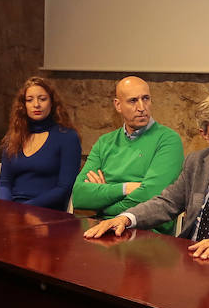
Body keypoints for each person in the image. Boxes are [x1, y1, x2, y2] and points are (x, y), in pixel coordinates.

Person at [84, 92, 209, 260]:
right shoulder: (196, 162)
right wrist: (126, 218)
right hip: (193, 255)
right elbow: (167, 202)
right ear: (204, 134)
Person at [70, 76, 183, 229]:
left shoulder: (168, 140)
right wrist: (125, 188)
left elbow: (151, 198)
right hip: (102, 227)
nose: (142, 107)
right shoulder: (105, 142)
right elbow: (79, 196)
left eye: (146, 99)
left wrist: (102, 205)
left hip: (146, 231)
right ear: (118, 105)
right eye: (133, 101)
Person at [0, 76, 83, 210]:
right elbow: (4, 184)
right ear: (23, 105)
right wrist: (4, 208)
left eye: (42, 99)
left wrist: (23, 209)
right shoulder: (14, 136)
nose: (36, 104)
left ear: (52, 102)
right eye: (30, 100)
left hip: (47, 211)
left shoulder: (67, 137)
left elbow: (64, 188)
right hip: (13, 209)